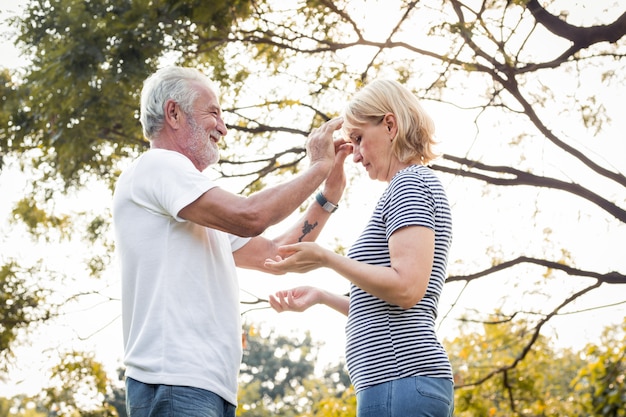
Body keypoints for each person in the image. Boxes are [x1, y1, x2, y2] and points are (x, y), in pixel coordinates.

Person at [112, 66, 351, 417]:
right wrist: (316, 167)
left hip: (207, 386)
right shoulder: (158, 166)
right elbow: (250, 216)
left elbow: (275, 255)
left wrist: (328, 194)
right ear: (173, 113)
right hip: (175, 382)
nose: (223, 128)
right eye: (213, 112)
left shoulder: (193, 203)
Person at [266, 79, 455, 417]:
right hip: (393, 383)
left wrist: (326, 257)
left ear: (390, 125)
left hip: (402, 380)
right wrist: (322, 296)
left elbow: (407, 288)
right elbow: (383, 305)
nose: (354, 155)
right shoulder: (406, 185)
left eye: (358, 140)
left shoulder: (410, 183)